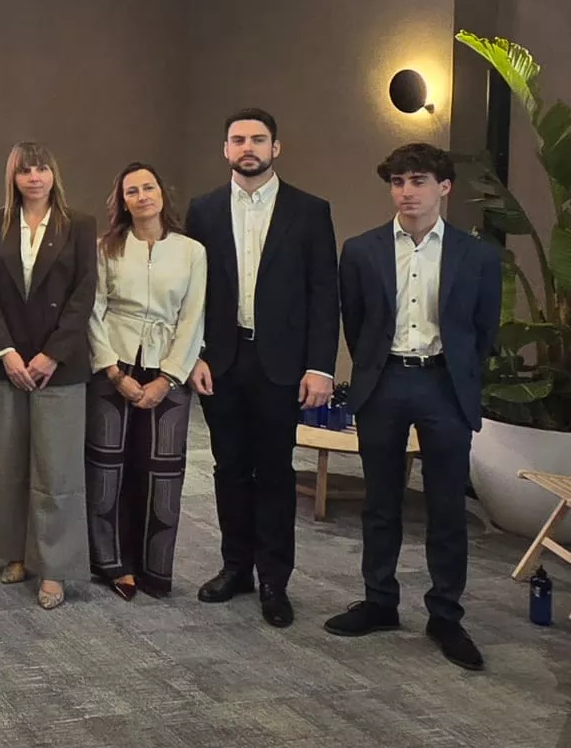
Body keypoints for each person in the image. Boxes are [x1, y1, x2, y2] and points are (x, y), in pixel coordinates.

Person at [326, 143, 499, 671]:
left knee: (446, 505)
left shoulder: (478, 255)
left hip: (445, 386)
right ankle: (380, 601)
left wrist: (458, 376)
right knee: (381, 501)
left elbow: (482, 330)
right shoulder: (362, 249)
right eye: (398, 182)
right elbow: (355, 324)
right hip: (385, 384)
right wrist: (376, 371)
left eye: (418, 181)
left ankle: (445, 613)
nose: (406, 192)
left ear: (443, 187)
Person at [184, 108, 337, 628]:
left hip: (282, 365)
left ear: (277, 147)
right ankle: (235, 569)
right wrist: (195, 356)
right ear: (225, 149)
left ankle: (275, 580)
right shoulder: (202, 210)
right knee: (229, 470)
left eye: (258, 139)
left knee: (273, 472)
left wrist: (321, 367)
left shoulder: (310, 211)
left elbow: (324, 295)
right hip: (221, 361)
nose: (247, 147)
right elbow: (193, 293)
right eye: (237, 139)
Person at [0, 141, 97, 611]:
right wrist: (6, 353)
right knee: (8, 462)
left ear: (53, 174)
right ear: (14, 177)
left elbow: (84, 295)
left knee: (57, 469)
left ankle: (55, 568)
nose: (34, 178)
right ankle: (17, 554)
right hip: (8, 364)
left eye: (42, 169)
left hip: (58, 367)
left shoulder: (78, 225)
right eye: (25, 170)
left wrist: (51, 355)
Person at [86, 162, 206, 600]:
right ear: (122, 201)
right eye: (131, 191)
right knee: (107, 469)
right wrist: (113, 372)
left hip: (167, 371)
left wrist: (169, 378)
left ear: (162, 193)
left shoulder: (192, 251)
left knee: (160, 473)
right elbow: (93, 312)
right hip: (113, 365)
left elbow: (193, 318)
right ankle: (112, 563)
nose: (141, 196)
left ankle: (155, 569)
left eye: (148, 187)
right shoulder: (106, 248)